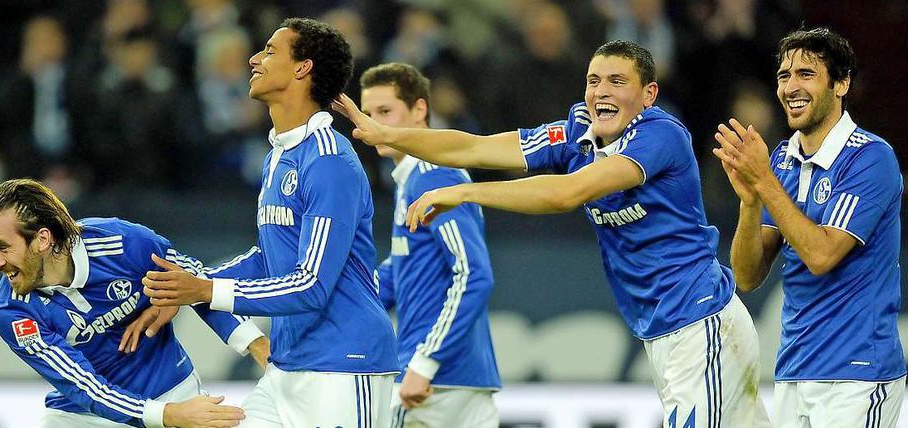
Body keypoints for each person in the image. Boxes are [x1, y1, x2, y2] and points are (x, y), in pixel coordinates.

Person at [334, 40, 771, 427]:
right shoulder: (576, 133)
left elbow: (569, 192)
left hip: (700, 322)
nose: (601, 91)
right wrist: (387, 133)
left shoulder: (660, 135)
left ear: (648, 94)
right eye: (593, 80)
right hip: (664, 332)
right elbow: (474, 146)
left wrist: (465, 190)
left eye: (618, 81)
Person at [140, 18, 399, 427]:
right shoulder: (278, 155)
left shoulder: (330, 162)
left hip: (344, 368)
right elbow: (269, 258)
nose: (254, 58)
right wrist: (186, 289)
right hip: (286, 369)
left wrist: (207, 289)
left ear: (302, 68)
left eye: (270, 51)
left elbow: (311, 284)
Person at [713, 27, 905, 427]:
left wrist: (764, 182)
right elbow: (747, 276)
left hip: (857, 375)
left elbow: (821, 255)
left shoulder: (871, 159)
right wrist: (750, 202)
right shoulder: (782, 160)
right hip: (794, 372)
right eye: (784, 76)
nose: (790, 86)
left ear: (841, 83)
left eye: (806, 74)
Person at [0, 178, 268, 428]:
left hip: (173, 392)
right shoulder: (12, 310)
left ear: (42, 239)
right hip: (83, 417)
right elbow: (83, 385)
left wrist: (256, 344)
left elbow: (198, 286)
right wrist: (166, 416)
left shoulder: (121, 242)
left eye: (3, 248)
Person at [359, 63, 500, 427]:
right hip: (461, 383)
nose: (373, 125)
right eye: (368, 114)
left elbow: (473, 273)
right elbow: (400, 269)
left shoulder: (432, 176)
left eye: (385, 112)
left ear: (420, 110)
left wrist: (424, 362)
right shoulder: (413, 178)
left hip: (436, 385)